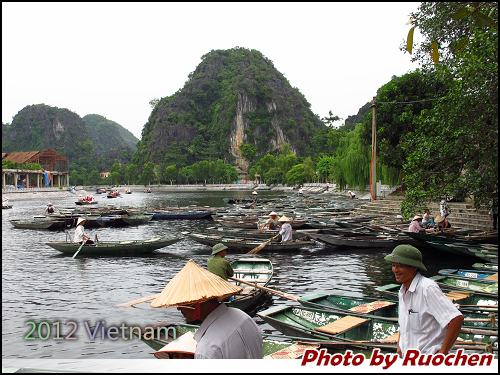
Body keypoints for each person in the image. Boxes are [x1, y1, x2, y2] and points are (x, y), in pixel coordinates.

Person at [151, 260, 263, 359]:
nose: (179, 308)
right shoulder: (244, 317)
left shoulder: (207, 351)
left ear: (198, 301)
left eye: (182, 302)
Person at [384, 245, 464, 357]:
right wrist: (399, 346)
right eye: (393, 265)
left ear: (414, 267)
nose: (395, 270)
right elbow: (404, 324)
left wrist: (442, 353)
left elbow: (456, 319)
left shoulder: (427, 288)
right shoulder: (402, 291)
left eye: (400, 266)